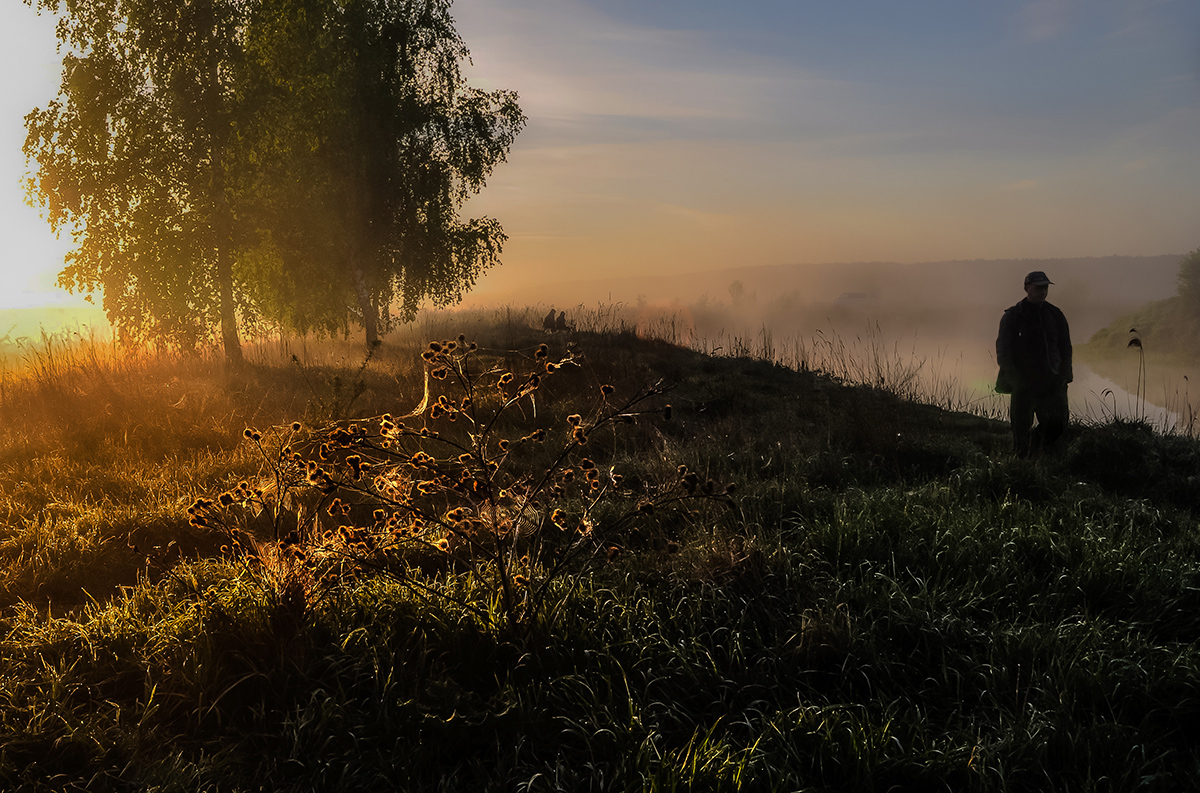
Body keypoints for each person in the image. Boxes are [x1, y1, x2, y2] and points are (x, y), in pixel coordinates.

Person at [996, 271, 1073, 457]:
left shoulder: (1055, 314)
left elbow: (1065, 348)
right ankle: (1023, 464)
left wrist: (1064, 376)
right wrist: (1016, 382)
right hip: (1024, 384)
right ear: (1026, 288)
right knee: (1020, 429)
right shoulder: (1013, 316)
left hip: (1052, 381)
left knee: (1059, 425)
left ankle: (1036, 450)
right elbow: (1004, 352)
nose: (1043, 291)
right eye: (1038, 287)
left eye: (1045, 287)